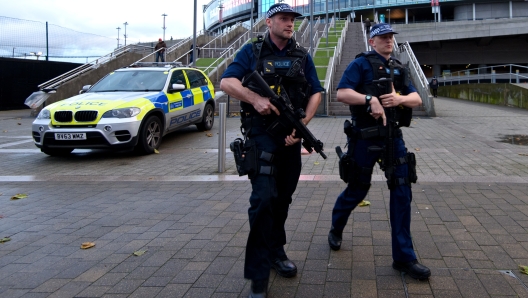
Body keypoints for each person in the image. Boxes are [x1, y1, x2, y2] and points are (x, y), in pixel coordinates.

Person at [220, 3, 323, 297]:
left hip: (290, 138)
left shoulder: (302, 56)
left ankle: (276, 250)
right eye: (284, 19)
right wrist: (254, 98)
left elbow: (316, 91)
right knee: (263, 198)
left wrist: (301, 124)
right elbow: (228, 82)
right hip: (260, 136)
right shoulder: (251, 52)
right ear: (269, 22)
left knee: (282, 200)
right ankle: (259, 275)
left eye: (293, 20)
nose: (290, 24)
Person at [328, 23, 431, 281]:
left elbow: (417, 98)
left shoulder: (399, 67)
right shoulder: (360, 64)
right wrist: (369, 99)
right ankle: (336, 226)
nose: (389, 41)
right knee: (357, 190)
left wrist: (399, 100)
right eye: (383, 37)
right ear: (371, 41)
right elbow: (341, 93)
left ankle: (404, 258)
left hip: (393, 137)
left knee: (402, 192)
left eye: (391, 37)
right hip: (364, 139)